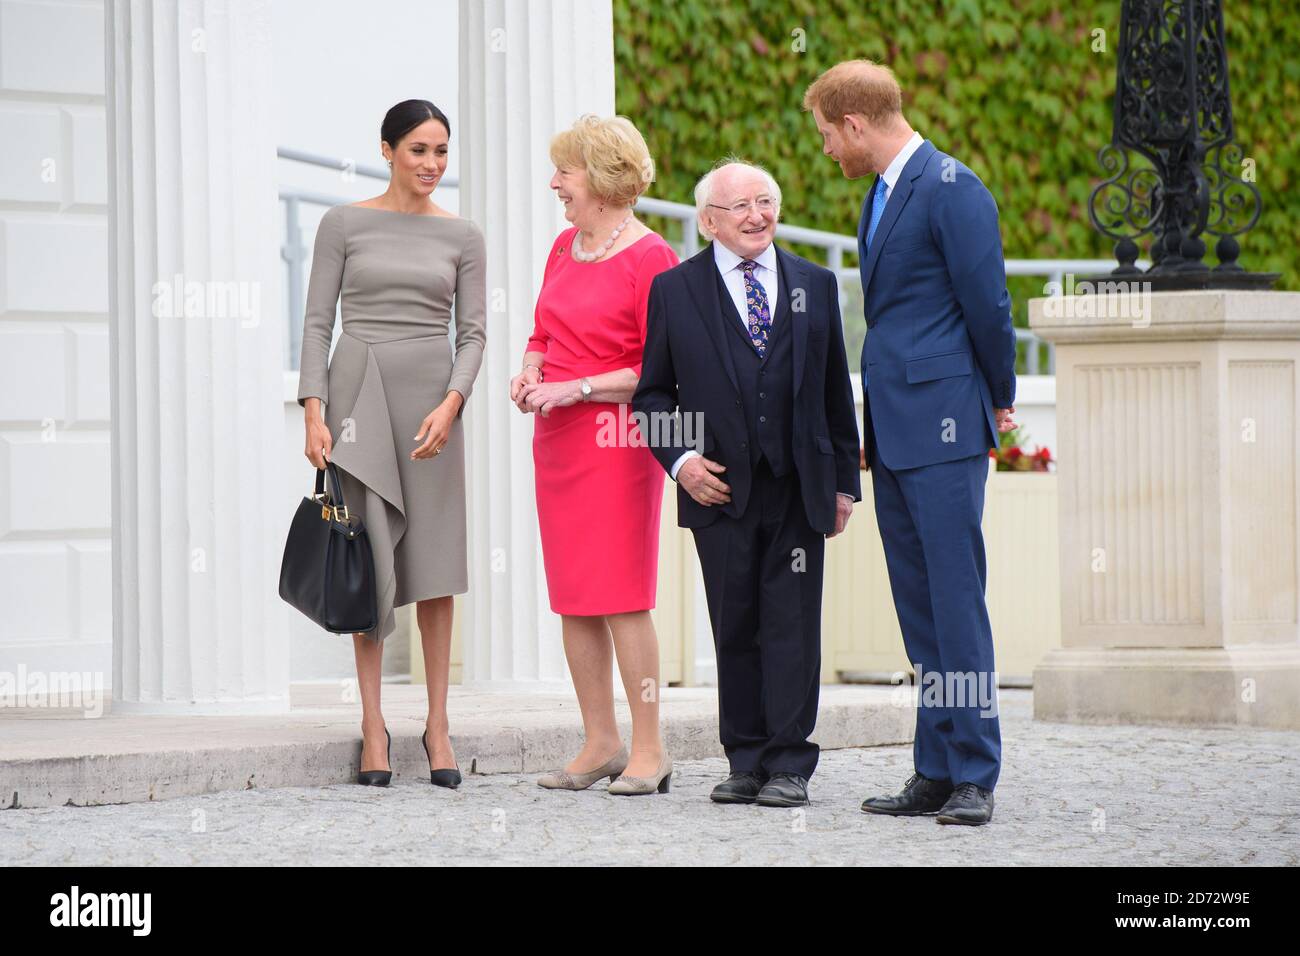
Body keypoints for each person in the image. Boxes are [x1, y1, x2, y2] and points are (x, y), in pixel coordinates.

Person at [804, 60, 1018, 825]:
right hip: (894, 431)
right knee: (920, 605)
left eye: (829, 134)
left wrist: (1000, 397)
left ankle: (974, 774)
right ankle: (934, 766)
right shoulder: (885, 191)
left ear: (856, 125)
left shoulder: (954, 189)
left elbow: (989, 305)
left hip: (946, 425)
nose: (828, 148)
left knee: (955, 602)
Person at [632, 160, 861, 808]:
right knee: (734, 625)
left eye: (767, 201)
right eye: (741, 206)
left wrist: (845, 483)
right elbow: (651, 396)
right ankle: (746, 758)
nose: (758, 215)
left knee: (791, 624)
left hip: (796, 486)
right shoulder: (675, 291)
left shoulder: (815, 284)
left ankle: (790, 763)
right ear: (708, 220)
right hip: (720, 489)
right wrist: (682, 463)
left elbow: (834, 392)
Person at [298, 99, 485, 790]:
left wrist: (454, 402)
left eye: (441, 151)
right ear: (386, 150)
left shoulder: (464, 234)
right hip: (357, 397)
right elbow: (317, 323)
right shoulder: (342, 223)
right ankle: (373, 724)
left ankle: (437, 723)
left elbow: (473, 333)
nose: (432, 164)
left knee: (434, 568)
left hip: (432, 406)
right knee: (367, 555)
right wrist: (313, 412)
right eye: (418, 150)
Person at [509, 114, 679, 796]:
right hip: (557, 439)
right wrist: (528, 369)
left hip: (617, 441)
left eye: (566, 172)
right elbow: (543, 330)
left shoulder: (651, 257)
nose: (556, 184)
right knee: (575, 595)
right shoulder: (561, 247)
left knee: (622, 594)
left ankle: (650, 747)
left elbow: (656, 367)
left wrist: (573, 387)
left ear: (605, 180)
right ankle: (600, 739)